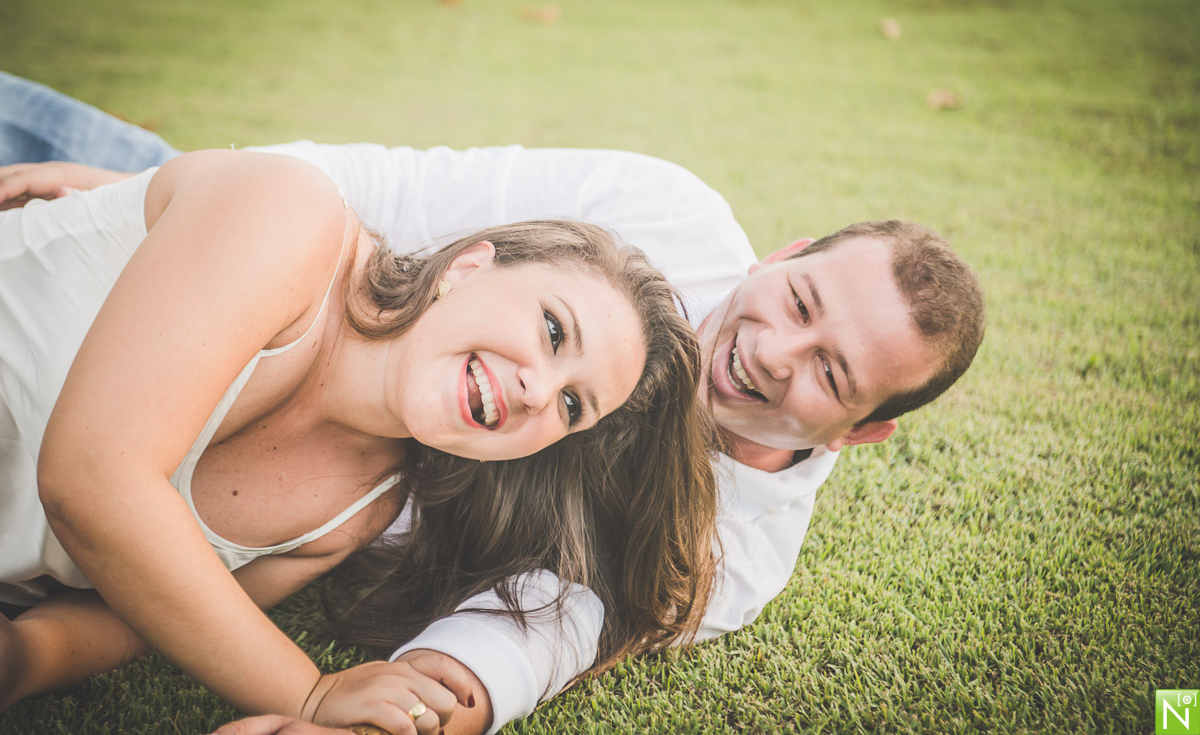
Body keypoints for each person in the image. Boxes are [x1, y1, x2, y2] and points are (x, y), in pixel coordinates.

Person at [0, 71, 985, 735]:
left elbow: (536, 635)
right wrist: (163, 192)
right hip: (291, 271)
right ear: (784, 255)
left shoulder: (728, 550)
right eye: (799, 302)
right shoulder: (662, 211)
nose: (771, 353)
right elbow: (398, 192)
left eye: (831, 374)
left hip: (297, 464)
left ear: (864, 429)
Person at [0, 143, 718, 734]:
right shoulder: (290, 214)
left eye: (571, 405)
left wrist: (26, 655)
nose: (538, 390)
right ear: (468, 269)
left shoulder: (356, 513)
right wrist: (305, 694)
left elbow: (134, 608)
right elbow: (93, 480)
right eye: (553, 330)